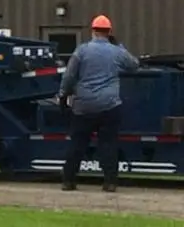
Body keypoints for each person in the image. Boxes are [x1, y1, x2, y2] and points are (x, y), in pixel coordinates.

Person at [57, 14, 140, 192]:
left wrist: (63, 95)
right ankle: (110, 182)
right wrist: (120, 47)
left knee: (77, 144)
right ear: (109, 32)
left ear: (93, 31)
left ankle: (68, 181)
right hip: (109, 105)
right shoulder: (116, 51)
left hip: (83, 106)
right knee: (108, 144)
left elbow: (69, 76)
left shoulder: (81, 51)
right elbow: (134, 64)